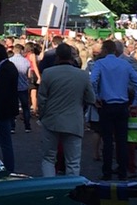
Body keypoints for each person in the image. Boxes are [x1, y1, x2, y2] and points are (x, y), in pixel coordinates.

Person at [37, 42, 95, 177]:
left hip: (51, 120)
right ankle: (71, 187)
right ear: (72, 57)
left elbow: (42, 99)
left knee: (48, 158)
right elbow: (91, 98)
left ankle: (49, 185)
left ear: (57, 57)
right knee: (73, 161)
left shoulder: (48, 73)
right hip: (74, 121)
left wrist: (42, 115)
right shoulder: (82, 75)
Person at [89, 40, 137, 181]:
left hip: (107, 105)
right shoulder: (125, 64)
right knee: (122, 140)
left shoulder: (100, 64)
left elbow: (92, 81)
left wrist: (96, 96)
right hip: (122, 105)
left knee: (107, 140)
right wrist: (136, 102)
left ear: (104, 50)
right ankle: (123, 172)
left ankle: (106, 172)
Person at [0, 43, 19, 172]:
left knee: (5, 142)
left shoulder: (5, 69)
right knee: (5, 141)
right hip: (8, 108)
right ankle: (9, 167)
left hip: (4, 110)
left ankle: (9, 169)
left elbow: (3, 93)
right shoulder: (9, 67)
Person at [10, 43, 32, 133]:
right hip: (23, 87)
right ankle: (27, 126)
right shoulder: (26, 61)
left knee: (12, 107)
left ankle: (12, 127)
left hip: (13, 87)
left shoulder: (10, 61)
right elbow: (29, 75)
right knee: (25, 107)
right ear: (21, 51)